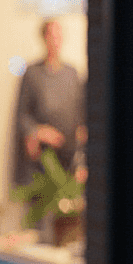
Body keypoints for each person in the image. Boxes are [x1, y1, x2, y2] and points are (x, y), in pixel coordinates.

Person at [13, 18, 87, 188]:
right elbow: (22, 115)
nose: (55, 40)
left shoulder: (72, 73)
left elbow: (82, 112)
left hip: (69, 156)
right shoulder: (32, 74)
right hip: (43, 158)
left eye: (58, 35)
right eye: (51, 35)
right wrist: (37, 132)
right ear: (44, 38)